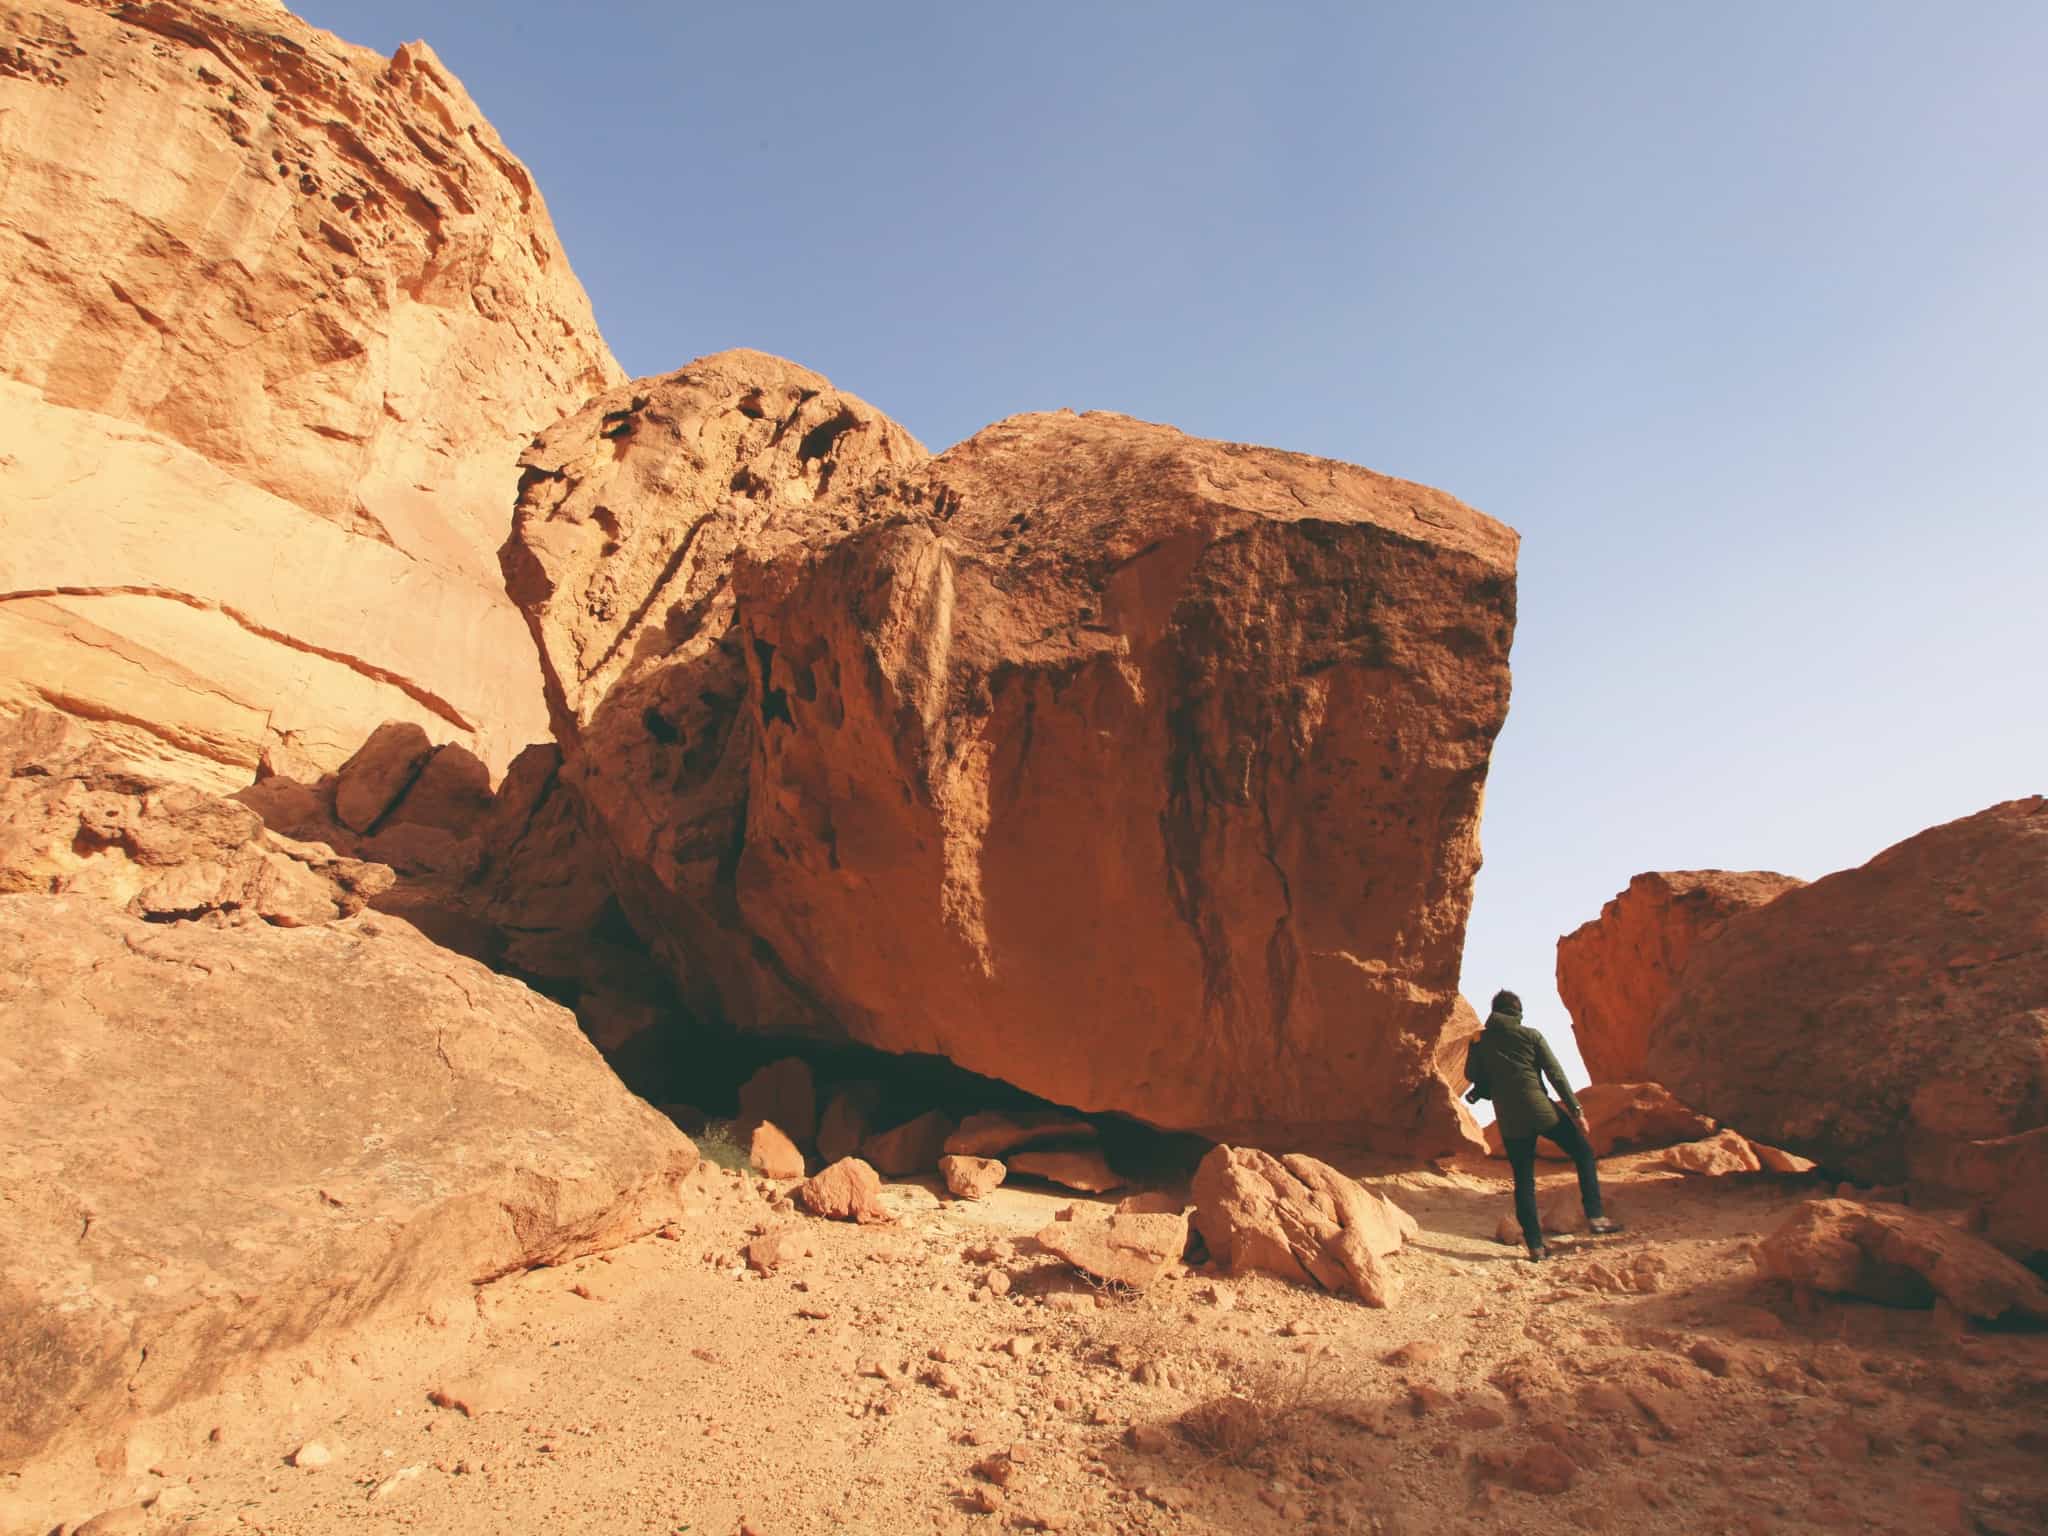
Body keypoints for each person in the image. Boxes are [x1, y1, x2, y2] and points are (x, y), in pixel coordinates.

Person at [1464, 988, 1619, 1261]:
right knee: (1583, 1152)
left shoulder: (1479, 1040)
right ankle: (1596, 1217)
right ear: (1517, 1012)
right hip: (1540, 1110)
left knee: (1524, 1181)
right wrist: (1576, 1110)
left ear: (1494, 1011)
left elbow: (1471, 1074)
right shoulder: (1531, 1035)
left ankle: (1535, 1246)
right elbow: (1555, 1073)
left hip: (1510, 1120)